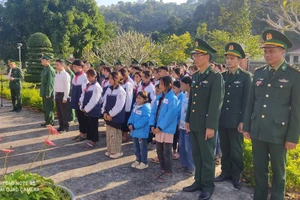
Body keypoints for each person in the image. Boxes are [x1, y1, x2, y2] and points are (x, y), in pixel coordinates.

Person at [243, 30, 300, 200]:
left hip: (279, 134)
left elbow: (297, 110)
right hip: (259, 131)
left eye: (272, 51)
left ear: (283, 52)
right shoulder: (259, 73)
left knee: (278, 174)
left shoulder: (293, 76)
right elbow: (251, 103)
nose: (267, 54)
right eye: (265, 51)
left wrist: (292, 137)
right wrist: (247, 127)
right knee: (259, 171)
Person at [183, 38, 224, 200]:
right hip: (194, 123)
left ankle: (208, 186)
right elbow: (191, 100)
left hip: (206, 125)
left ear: (207, 57)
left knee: (207, 157)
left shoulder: (215, 77)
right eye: (195, 55)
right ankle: (198, 181)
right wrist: (187, 120)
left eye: (198, 55)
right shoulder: (196, 75)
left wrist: (211, 126)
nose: (195, 57)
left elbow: (215, 105)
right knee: (197, 154)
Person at [215, 42, 252, 189]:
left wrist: (243, 121)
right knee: (225, 147)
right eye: (227, 58)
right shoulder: (221, 76)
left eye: (232, 58)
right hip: (223, 119)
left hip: (236, 120)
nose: (229, 61)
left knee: (236, 149)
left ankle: (237, 176)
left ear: (239, 60)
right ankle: (225, 172)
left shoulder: (245, 77)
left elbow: (247, 101)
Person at [150, 76, 178, 183]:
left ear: (169, 85)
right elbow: (153, 111)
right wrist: (152, 124)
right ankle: (162, 168)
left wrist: (160, 127)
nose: (160, 86)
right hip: (157, 128)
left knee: (167, 151)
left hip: (166, 129)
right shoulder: (159, 97)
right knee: (159, 150)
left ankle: (169, 170)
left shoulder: (172, 98)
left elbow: (170, 115)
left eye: (162, 84)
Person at [102, 71, 126, 159]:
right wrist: (104, 112)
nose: (110, 80)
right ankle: (110, 150)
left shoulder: (121, 91)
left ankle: (117, 151)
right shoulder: (109, 89)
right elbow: (104, 100)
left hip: (116, 116)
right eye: (110, 78)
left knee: (115, 134)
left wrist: (111, 114)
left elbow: (119, 105)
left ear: (117, 79)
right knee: (109, 133)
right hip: (108, 115)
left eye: (112, 78)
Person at [128, 91, 151, 170]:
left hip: (141, 132)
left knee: (142, 147)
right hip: (134, 131)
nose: (137, 100)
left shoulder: (146, 107)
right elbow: (131, 116)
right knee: (136, 147)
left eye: (140, 98)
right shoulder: (135, 106)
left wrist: (135, 126)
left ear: (145, 99)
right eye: (137, 98)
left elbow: (145, 119)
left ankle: (144, 162)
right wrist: (130, 123)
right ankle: (138, 159)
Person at [80, 69, 102, 148]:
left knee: (93, 126)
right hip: (87, 109)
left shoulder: (96, 86)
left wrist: (86, 108)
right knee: (89, 125)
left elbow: (94, 100)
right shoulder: (88, 85)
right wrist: (81, 104)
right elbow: (83, 94)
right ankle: (90, 139)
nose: (88, 78)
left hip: (93, 110)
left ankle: (94, 140)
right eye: (87, 77)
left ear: (94, 76)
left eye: (89, 77)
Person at [179, 76, 195, 175]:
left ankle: (192, 168)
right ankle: (184, 165)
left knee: (189, 148)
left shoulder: (194, 96)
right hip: (181, 125)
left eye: (182, 85)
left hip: (189, 126)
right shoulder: (183, 95)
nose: (181, 87)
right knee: (181, 146)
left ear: (188, 85)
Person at [70, 60, 88, 142]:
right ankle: (81, 132)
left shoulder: (84, 77)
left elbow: (84, 91)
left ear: (81, 67)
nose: (73, 68)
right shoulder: (75, 76)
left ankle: (84, 133)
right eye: (73, 67)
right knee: (79, 117)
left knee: (83, 117)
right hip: (75, 99)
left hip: (81, 100)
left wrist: (81, 101)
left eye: (75, 67)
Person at [54, 59, 71, 133]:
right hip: (57, 94)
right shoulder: (57, 74)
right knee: (59, 112)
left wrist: (65, 96)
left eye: (58, 65)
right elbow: (55, 86)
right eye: (56, 65)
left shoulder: (66, 75)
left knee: (64, 112)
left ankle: (65, 126)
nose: (56, 66)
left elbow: (67, 86)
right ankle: (60, 126)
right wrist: (54, 96)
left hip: (63, 95)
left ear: (62, 65)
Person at [40, 53, 56, 127]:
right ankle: (47, 121)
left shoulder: (50, 70)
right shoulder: (45, 69)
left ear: (47, 61)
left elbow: (51, 83)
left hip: (48, 92)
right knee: (45, 108)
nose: (41, 61)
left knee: (49, 108)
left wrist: (48, 93)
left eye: (43, 60)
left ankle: (50, 122)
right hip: (44, 92)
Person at [119, 68, 134, 142]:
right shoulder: (122, 83)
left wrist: (127, 108)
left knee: (125, 121)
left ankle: (125, 134)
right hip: (121, 106)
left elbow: (129, 97)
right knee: (122, 121)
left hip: (126, 106)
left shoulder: (128, 84)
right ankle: (122, 133)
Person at [171, 80, 184, 160]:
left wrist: (173, 115)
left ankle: (178, 152)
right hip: (173, 120)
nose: (173, 90)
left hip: (178, 120)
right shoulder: (173, 96)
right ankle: (174, 150)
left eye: (174, 88)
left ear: (179, 88)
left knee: (178, 137)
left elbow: (179, 109)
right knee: (174, 137)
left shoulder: (181, 96)